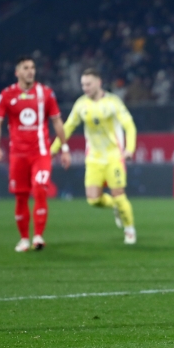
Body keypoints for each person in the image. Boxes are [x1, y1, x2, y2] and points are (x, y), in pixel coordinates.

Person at [0, 56, 71, 252]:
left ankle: (38, 236)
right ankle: (24, 239)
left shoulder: (46, 93)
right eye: (26, 68)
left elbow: (57, 122)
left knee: (40, 189)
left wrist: (65, 148)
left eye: (33, 67)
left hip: (41, 154)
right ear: (17, 72)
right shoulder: (7, 95)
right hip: (18, 155)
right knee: (20, 197)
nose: (30, 71)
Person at [50, 68, 138, 244]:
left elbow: (129, 125)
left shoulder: (113, 102)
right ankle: (115, 206)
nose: (85, 88)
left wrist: (130, 148)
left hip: (114, 156)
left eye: (88, 84)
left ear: (99, 82)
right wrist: (53, 150)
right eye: (83, 84)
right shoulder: (81, 104)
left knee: (119, 194)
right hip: (94, 158)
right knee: (93, 200)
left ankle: (129, 230)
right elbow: (67, 127)